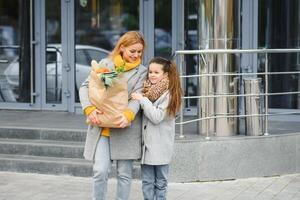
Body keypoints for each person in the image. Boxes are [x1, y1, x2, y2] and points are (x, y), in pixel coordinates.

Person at [79, 31, 147, 200]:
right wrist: (89, 109)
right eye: (133, 51)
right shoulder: (106, 64)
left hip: (125, 129)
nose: (136, 55)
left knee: (124, 175)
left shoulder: (142, 72)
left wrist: (129, 114)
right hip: (102, 127)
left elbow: (137, 97)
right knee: (100, 171)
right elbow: (85, 87)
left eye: (139, 52)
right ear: (122, 48)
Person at [131, 57, 182, 200]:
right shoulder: (147, 90)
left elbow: (157, 116)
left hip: (161, 145)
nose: (152, 75)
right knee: (147, 182)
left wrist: (142, 100)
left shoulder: (170, 94)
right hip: (147, 146)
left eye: (156, 72)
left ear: (165, 75)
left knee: (160, 182)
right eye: (150, 72)